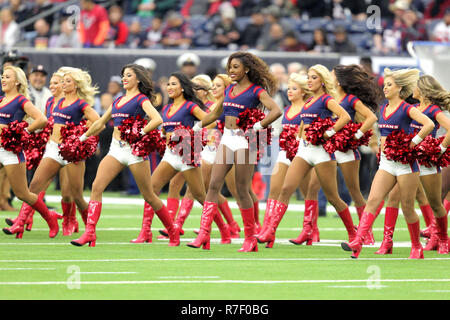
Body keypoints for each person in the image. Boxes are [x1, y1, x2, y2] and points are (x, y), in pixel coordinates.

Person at [187, 51, 282, 252]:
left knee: (241, 189)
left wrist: (258, 125)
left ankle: (250, 238)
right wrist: (197, 126)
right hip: (228, 138)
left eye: (235, 67)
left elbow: (275, 110)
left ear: (246, 69)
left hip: (246, 140)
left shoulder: (257, 91)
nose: (231, 70)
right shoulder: (229, 89)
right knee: (213, 185)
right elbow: (215, 113)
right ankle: (204, 235)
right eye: (230, 67)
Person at [257, 64, 356, 248]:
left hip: (322, 152)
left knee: (333, 197)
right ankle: (270, 231)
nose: (309, 80)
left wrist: (328, 133)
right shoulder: (309, 102)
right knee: (286, 188)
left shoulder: (327, 100)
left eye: (313, 78)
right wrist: (301, 136)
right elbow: (304, 123)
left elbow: (345, 118)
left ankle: (353, 232)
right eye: (308, 77)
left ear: (323, 81)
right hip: (304, 149)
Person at [341, 68, 435, 259]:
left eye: (389, 85)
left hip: (406, 165)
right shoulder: (382, 108)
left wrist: (413, 142)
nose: (385, 88)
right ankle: (358, 242)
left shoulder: (407, 108)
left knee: (408, 207)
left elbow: (429, 124)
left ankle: (416, 246)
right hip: (386, 163)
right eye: (385, 85)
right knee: (373, 201)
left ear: (400, 88)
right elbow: (383, 135)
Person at [71, 64, 168, 247]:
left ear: (138, 79)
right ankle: (90, 232)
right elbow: (100, 123)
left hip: (135, 150)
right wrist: (81, 138)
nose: (124, 78)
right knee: (96, 187)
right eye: (123, 75)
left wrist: (140, 133)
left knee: (149, 195)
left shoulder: (141, 99)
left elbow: (157, 119)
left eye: (128, 75)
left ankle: (171, 230)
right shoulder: (118, 101)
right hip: (116, 149)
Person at [289, 64, 382, 246]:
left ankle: (365, 233)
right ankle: (309, 230)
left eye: (331, 74)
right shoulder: (325, 98)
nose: (329, 76)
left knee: (354, 192)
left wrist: (355, 135)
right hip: (325, 150)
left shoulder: (349, 99)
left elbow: (371, 117)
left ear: (338, 80)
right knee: (312, 188)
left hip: (345, 150)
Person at [6, 67, 100, 237]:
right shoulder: (55, 101)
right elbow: (46, 122)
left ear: (76, 85)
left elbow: (98, 122)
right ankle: (20, 222)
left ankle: (90, 229)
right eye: (61, 81)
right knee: (34, 186)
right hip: (53, 149)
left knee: (76, 196)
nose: (63, 84)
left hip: (71, 152)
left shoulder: (80, 104)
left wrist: (81, 137)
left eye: (67, 81)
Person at [129, 71, 212, 245]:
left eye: (174, 84)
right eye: (168, 84)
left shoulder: (190, 106)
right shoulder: (166, 109)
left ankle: (210, 232)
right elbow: (166, 130)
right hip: (170, 154)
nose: (169, 87)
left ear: (182, 87)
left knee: (200, 196)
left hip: (187, 153)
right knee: (151, 189)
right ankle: (146, 232)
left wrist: (191, 132)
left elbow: (210, 121)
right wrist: (159, 135)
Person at [375, 74, 450, 255]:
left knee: (435, 202)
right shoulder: (412, 107)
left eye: (416, 86)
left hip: (426, 160)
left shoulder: (433, 110)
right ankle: (387, 241)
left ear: (423, 90)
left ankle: (442, 239)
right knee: (393, 198)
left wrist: (440, 148)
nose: (412, 89)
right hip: (408, 161)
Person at [0, 66, 60, 239]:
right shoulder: (1, 100)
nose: (3, 80)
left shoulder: (20, 101)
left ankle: (50, 218)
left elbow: (41, 119)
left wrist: (22, 132)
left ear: (17, 81)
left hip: (11, 151)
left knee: (22, 194)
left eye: (7, 77)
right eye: (3, 76)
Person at [257, 72, 312, 247]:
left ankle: (310, 229)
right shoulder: (287, 110)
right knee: (274, 189)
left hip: (303, 154)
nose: (289, 91)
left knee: (307, 193)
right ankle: (268, 231)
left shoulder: (308, 109)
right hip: (285, 152)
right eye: (288, 88)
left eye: (294, 88)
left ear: (303, 91)